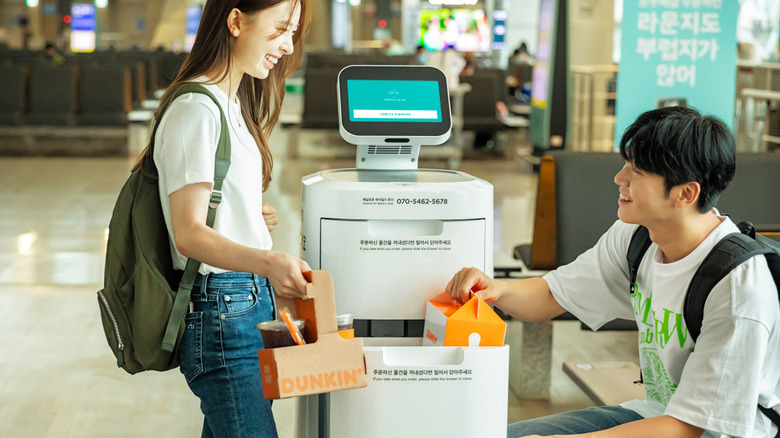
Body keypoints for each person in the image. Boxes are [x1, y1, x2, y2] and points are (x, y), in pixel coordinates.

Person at [445, 106, 780, 438]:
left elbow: (688, 428)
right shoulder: (638, 237)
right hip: (660, 414)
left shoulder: (737, 288)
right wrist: (496, 290)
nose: (619, 179)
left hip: (717, 431)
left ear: (685, 193)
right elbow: (550, 295)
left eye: (637, 171)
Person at [132, 0, 311, 436]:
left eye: (293, 33)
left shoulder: (230, 103)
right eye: (281, 29)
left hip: (241, 303)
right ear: (235, 21)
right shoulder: (198, 107)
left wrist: (245, 216)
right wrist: (269, 261)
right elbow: (189, 234)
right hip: (222, 310)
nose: (288, 46)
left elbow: (210, 208)